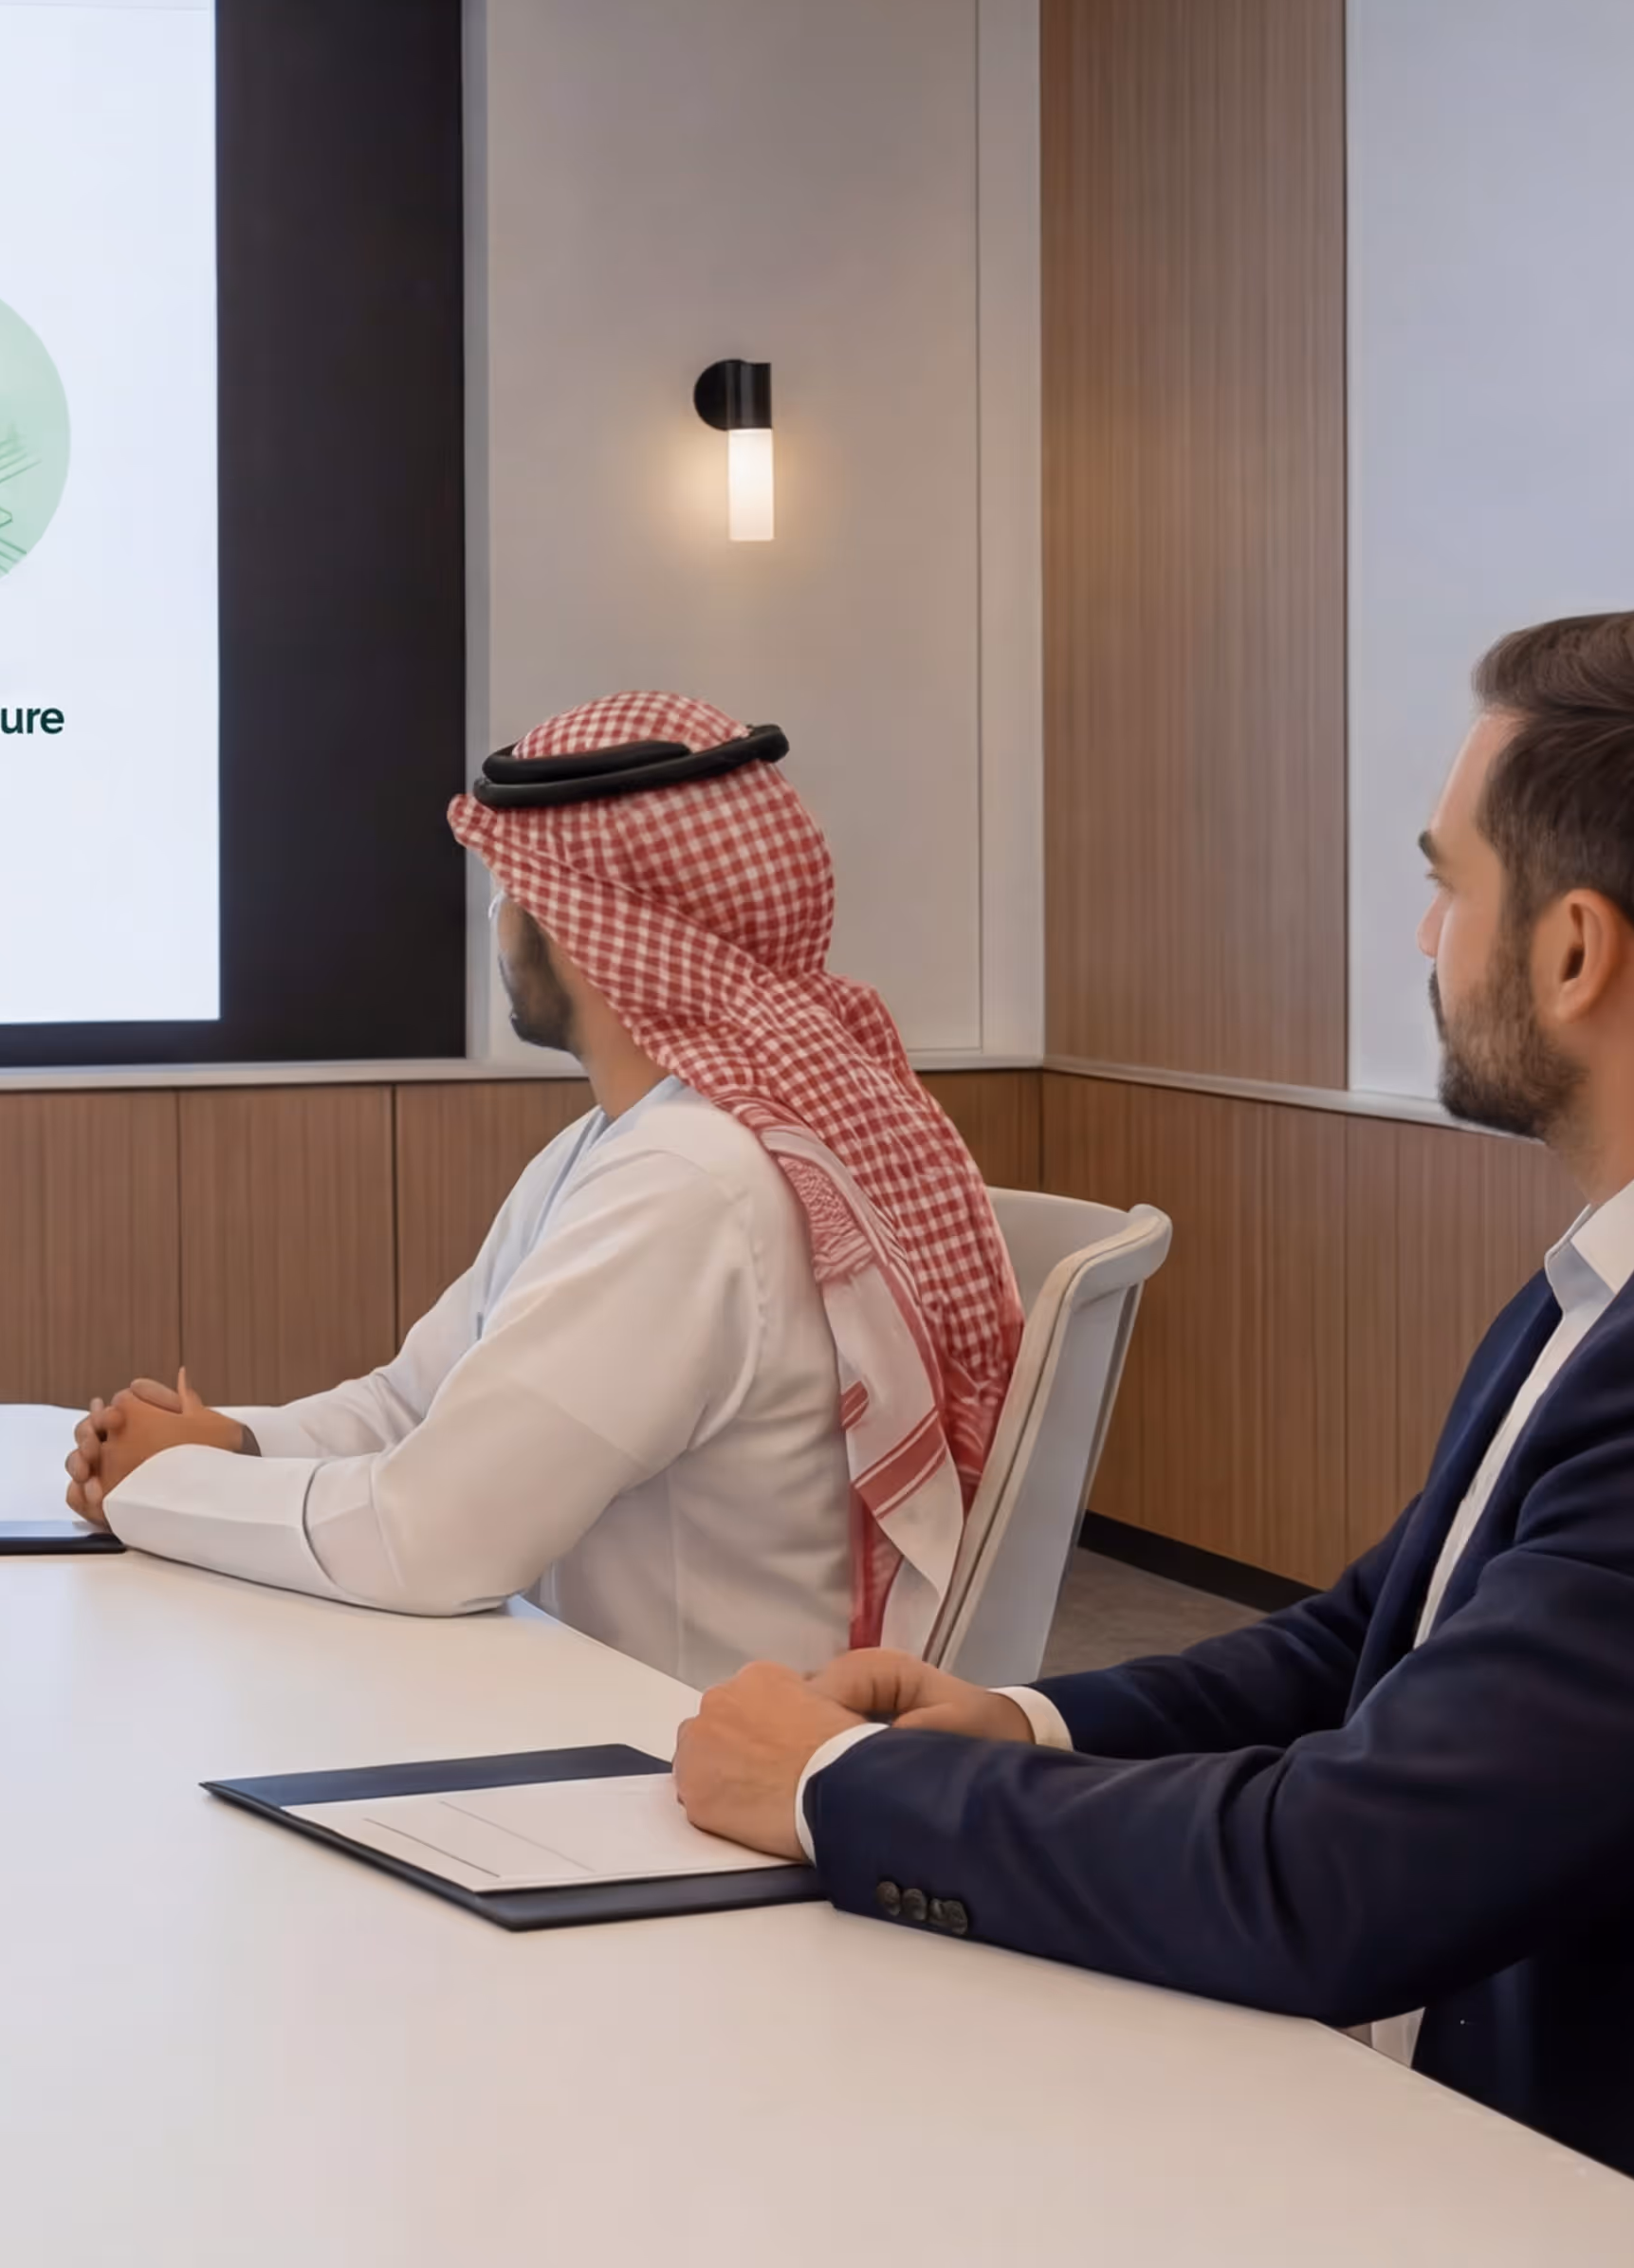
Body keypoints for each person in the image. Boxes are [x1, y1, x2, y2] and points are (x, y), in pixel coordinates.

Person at [675, 609, 1634, 2268]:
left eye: (1446, 883)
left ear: (1573, 951)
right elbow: (1373, 1637)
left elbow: (1332, 1888)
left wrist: (838, 1792)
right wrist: (1014, 1724)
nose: (1425, 938)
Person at [68, 694, 1019, 1688]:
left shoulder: (690, 1185)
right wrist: (234, 1441)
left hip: (671, 1767)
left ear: (579, 925)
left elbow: (430, 1540)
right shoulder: (625, 1143)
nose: (499, 919)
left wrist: (167, 1486)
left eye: (510, 890)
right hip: (577, 1712)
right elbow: (414, 1399)